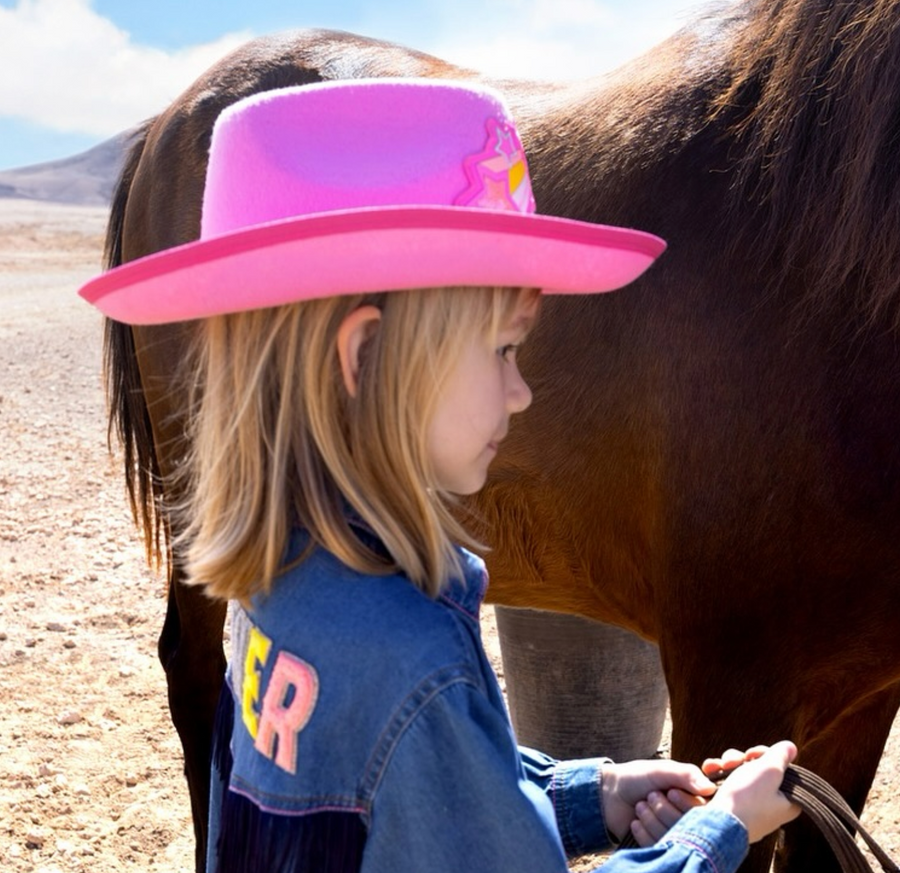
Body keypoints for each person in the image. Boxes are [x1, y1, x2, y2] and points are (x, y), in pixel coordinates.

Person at [78, 79, 800, 872]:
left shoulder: (277, 592)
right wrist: (720, 829)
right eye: (502, 350)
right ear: (363, 357)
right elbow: (424, 763)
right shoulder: (417, 665)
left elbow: (415, 799)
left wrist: (593, 790)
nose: (523, 392)